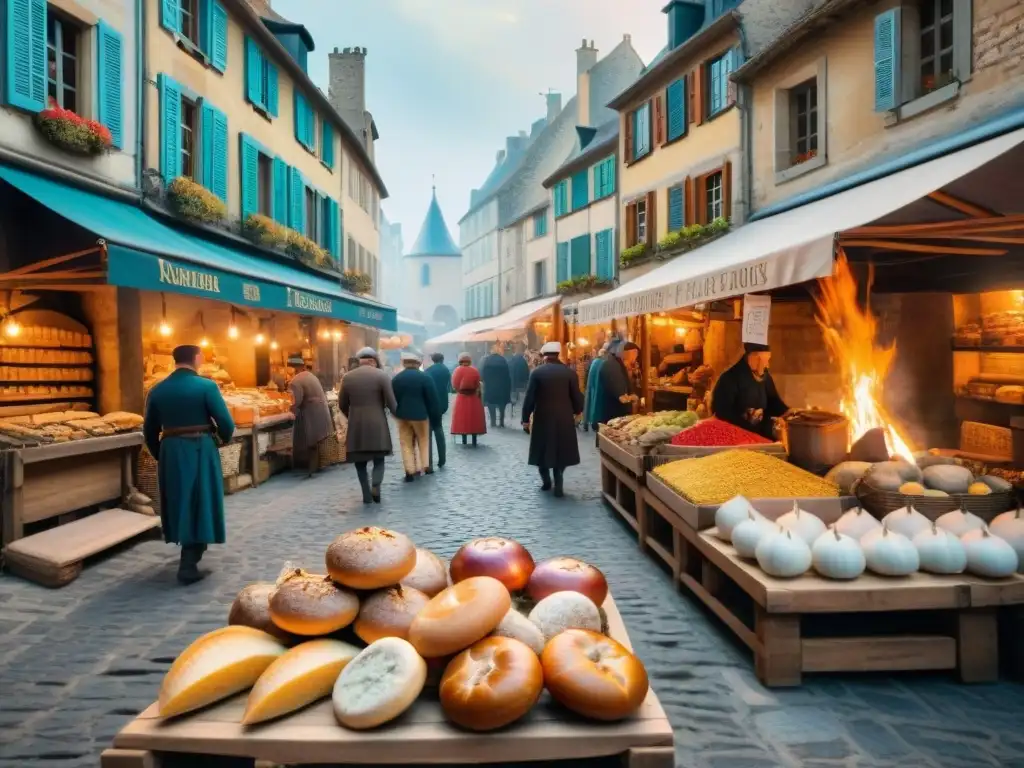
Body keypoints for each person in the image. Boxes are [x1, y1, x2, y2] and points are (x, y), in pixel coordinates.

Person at [143, 344, 235, 585]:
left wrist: (161, 454)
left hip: (170, 450)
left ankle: (191, 551)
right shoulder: (206, 386)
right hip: (200, 448)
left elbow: (149, 430)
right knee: (200, 499)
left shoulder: (157, 390)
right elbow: (226, 422)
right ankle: (189, 562)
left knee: (180, 500)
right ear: (196, 358)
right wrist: (221, 440)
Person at [521, 342, 584, 497]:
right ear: (558, 355)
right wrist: (577, 411)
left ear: (544, 356)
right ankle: (559, 477)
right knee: (561, 449)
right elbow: (577, 396)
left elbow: (529, 398)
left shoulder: (536, 373)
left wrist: (525, 419)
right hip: (564, 417)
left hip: (542, 416)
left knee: (542, 450)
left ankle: (546, 481)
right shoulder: (569, 373)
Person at [339, 347, 398, 503]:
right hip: (377, 422)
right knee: (379, 459)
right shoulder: (382, 375)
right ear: (373, 360)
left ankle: (366, 495)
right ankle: (376, 486)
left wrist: (351, 415)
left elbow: (342, 404)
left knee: (360, 463)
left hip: (356, 425)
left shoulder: (347, 377)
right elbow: (392, 403)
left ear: (359, 361)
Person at [711, 342, 790, 440]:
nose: (768, 365)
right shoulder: (729, 379)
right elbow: (722, 414)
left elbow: (773, 402)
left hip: (763, 438)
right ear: (756, 358)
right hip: (737, 440)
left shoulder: (765, 377)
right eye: (767, 360)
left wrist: (789, 413)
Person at [391, 352, 440, 481]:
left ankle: (410, 470)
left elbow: (392, 398)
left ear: (404, 364)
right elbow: (432, 400)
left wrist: (395, 412)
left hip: (403, 415)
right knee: (423, 440)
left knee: (406, 443)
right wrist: (434, 416)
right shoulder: (425, 378)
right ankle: (425, 465)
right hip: (420, 415)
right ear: (418, 364)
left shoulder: (397, 379)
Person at [287, 357, 333, 478]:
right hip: (320, 412)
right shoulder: (310, 376)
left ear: (293, 368)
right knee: (316, 441)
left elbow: (296, 400)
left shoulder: (295, 381)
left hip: (311, 414)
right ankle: (315, 466)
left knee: (310, 441)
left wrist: (289, 410)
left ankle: (309, 468)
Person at [597, 340, 640, 426]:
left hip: (612, 414)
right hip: (614, 417)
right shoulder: (613, 366)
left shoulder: (614, 363)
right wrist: (634, 397)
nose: (636, 358)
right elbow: (623, 398)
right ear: (633, 352)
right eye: (636, 354)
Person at [451, 353, 486, 445]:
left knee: (463, 418)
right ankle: (474, 439)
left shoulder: (457, 370)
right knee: (473, 417)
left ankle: (464, 439)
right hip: (473, 397)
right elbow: (478, 383)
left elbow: (454, 385)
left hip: (462, 397)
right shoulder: (474, 370)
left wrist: (459, 389)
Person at [424, 352, 452, 469]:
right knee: (439, 429)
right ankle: (442, 459)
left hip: (429, 402)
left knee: (428, 432)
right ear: (442, 359)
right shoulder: (446, 370)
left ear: (432, 359)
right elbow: (449, 387)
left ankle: (428, 461)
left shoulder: (428, 371)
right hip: (441, 403)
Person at [480, 345, 513, 428]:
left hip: (490, 388)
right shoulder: (503, 360)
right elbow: (508, 376)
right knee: (502, 405)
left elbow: (483, 375)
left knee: (491, 404)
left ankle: (493, 421)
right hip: (502, 387)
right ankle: (501, 422)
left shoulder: (487, 361)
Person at [583, 343, 609, 433]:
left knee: (590, 404)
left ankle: (588, 423)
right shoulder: (602, 363)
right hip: (599, 389)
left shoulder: (595, 362)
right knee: (597, 406)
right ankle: (595, 423)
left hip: (592, 387)